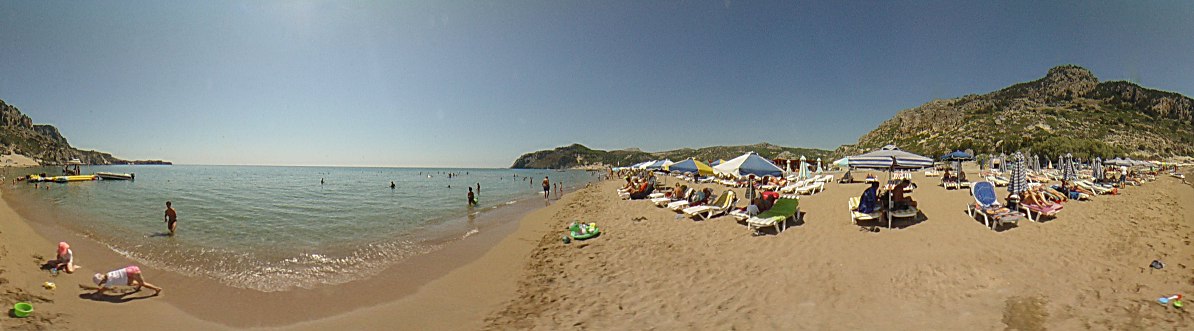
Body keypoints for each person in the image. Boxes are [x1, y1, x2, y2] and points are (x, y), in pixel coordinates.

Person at [92, 265, 161, 296]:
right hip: (130, 269)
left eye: (101, 283)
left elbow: (103, 289)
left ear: (103, 280)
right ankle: (138, 287)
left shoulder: (109, 280)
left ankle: (157, 289)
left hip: (132, 273)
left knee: (143, 283)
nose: (103, 284)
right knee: (130, 283)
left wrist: (97, 294)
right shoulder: (109, 274)